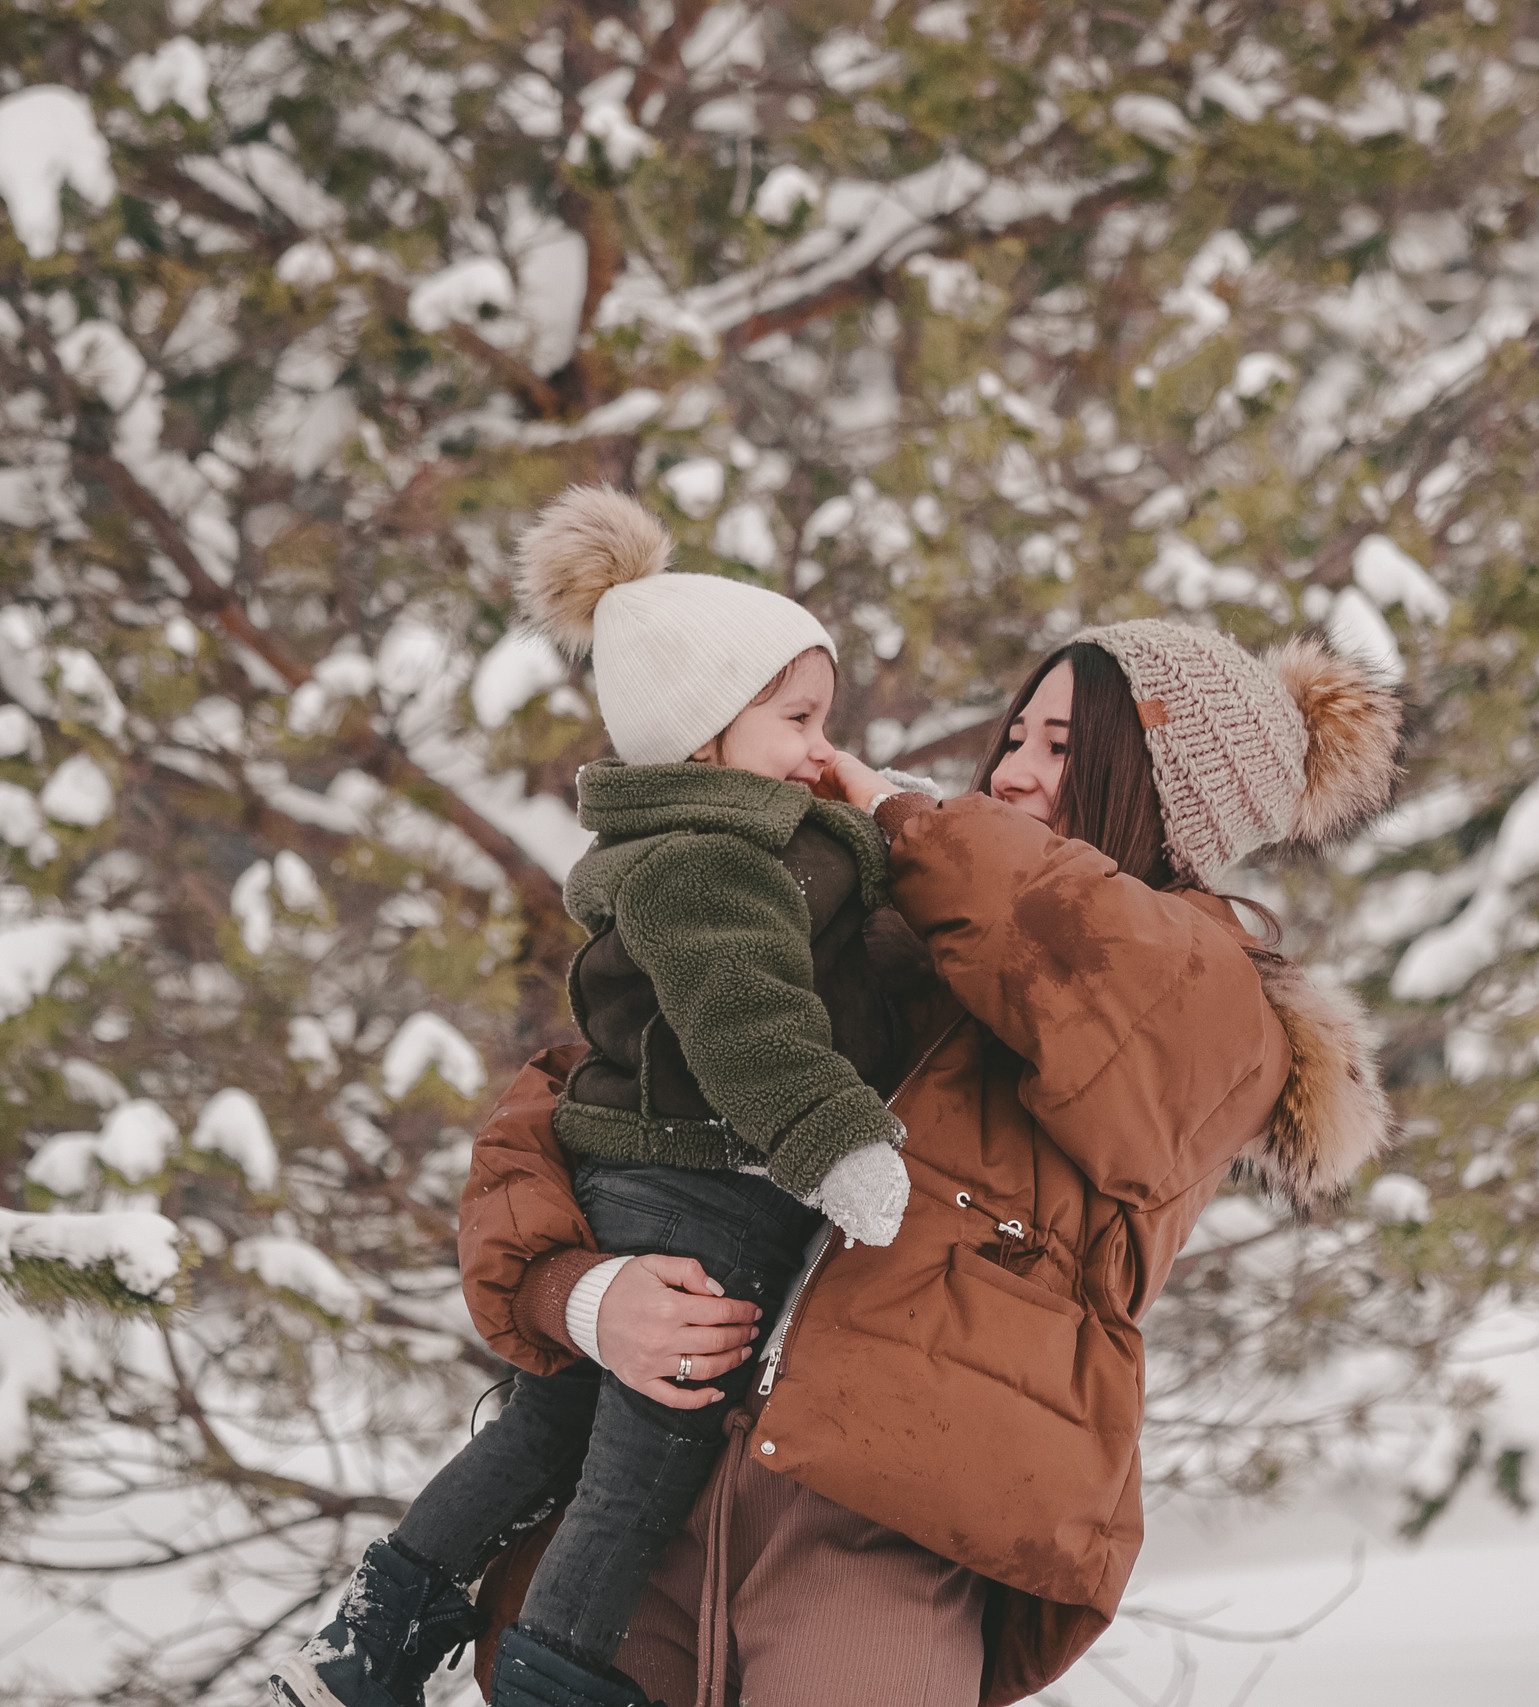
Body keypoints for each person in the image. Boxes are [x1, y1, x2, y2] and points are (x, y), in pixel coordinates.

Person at [456, 618, 1410, 1705]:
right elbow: (569, 1098)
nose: (1012, 770)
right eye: (1015, 737)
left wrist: (907, 819)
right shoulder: (888, 926)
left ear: (1172, 798)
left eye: (1063, 748)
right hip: (646, 1512)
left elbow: (1079, 953)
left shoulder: (1213, 1016)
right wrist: (575, 1295)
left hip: (881, 1543)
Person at [268, 488, 920, 1707]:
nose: (819, 749)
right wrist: (835, 1139)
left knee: (549, 1430)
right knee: (640, 1466)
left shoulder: (714, 845)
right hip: (707, 1193)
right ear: (702, 735)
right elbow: (750, 1023)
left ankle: (369, 1646)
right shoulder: (709, 863)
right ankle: (555, 1685)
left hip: (653, 1179)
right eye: (796, 719)